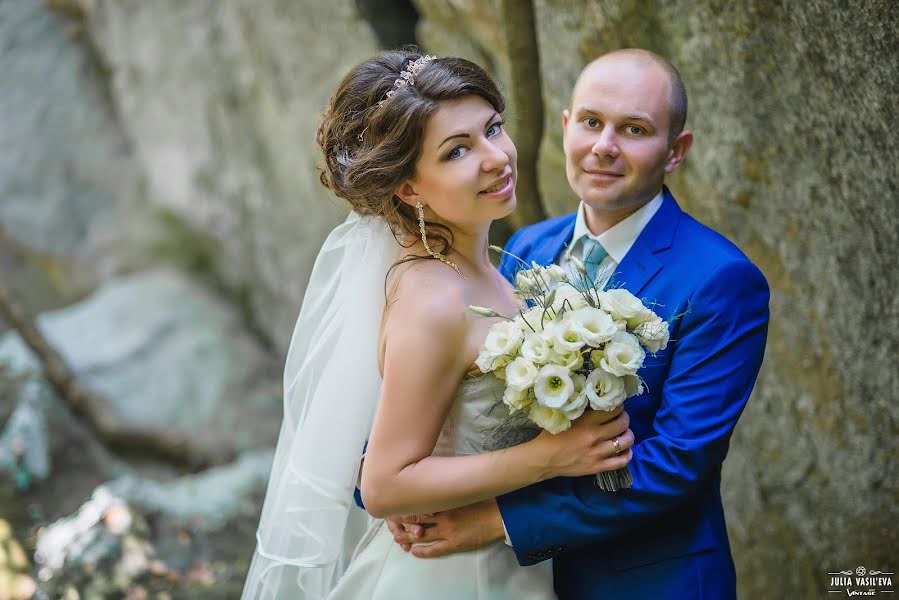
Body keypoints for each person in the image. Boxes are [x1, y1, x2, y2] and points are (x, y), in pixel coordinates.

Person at [241, 49, 635, 600]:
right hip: (456, 576)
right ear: (409, 188)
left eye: (493, 128)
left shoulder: (491, 268)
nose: (496, 157)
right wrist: (548, 458)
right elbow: (384, 484)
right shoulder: (433, 301)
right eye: (457, 152)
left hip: (508, 565)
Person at [388, 49, 771, 600]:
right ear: (566, 127)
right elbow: (470, 393)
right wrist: (402, 493)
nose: (604, 147)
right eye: (591, 122)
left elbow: (676, 465)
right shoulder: (527, 246)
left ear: (674, 151)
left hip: (646, 578)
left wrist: (497, 520)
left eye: (634, 129)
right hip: (520, 581)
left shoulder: (721, 279)